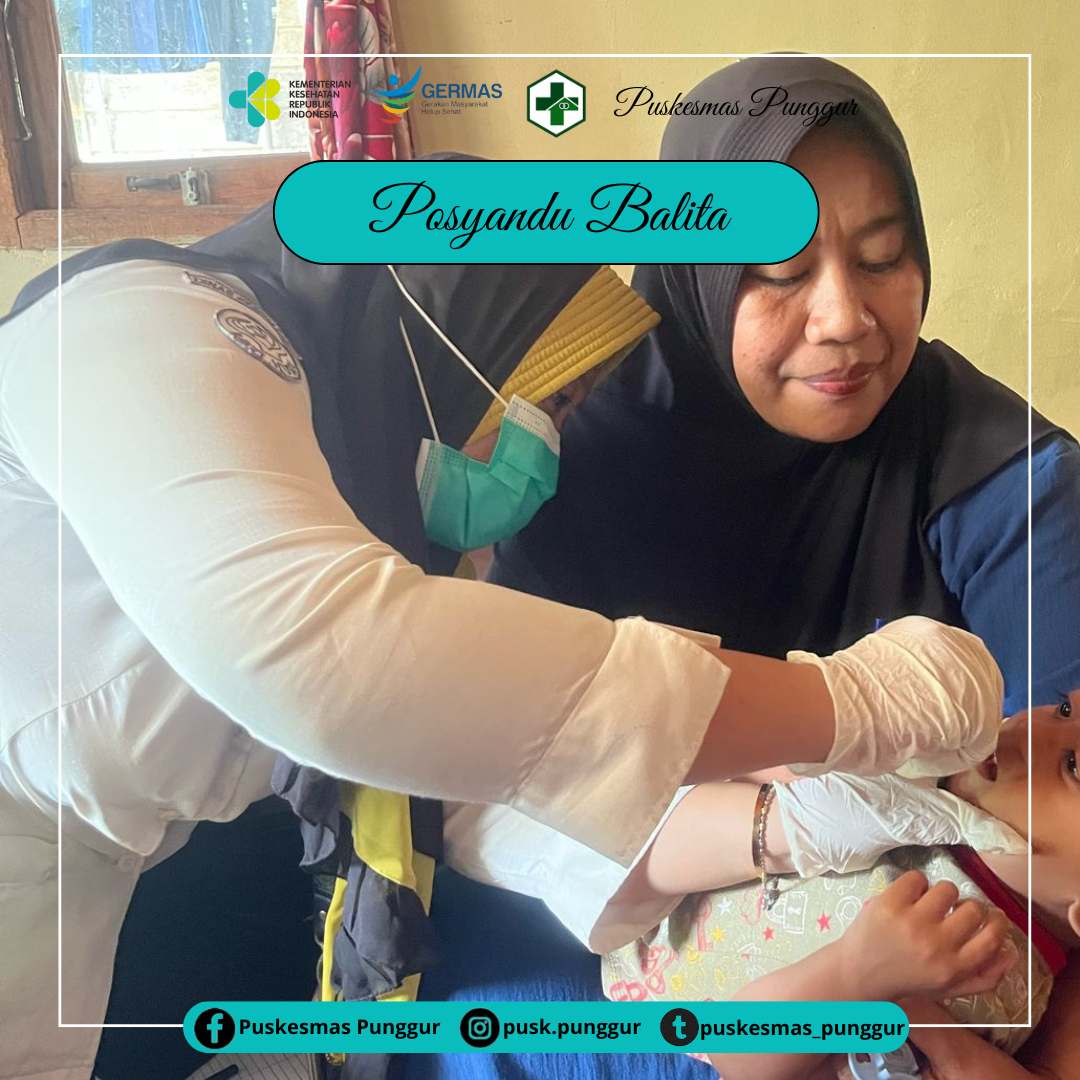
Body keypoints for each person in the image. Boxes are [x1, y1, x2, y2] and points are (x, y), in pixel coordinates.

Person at [0, 190, 1004, 1080]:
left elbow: (486, 799)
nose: (548, 454)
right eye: (551, 402)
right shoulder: (129, 327)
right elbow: (341, 668)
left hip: (103, 869)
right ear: (444, 350)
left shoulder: (386, 532)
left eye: (883, 258)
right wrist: (849, 705)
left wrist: (780, 824)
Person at [411, 56, 1080, 1080]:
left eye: (883, 257)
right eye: (778, 273)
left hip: (940, 943)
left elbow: (1060, 824)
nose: (846, 318)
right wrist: (771, 826)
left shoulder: (999, 472)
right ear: (698, 278)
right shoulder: (578, 457)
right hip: (622, 926)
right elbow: (492, 790)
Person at [698, 689, 1080, 1080]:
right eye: (1065, 709)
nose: (1029, 725)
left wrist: (854, 973)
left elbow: (736, 1051)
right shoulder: (939, 773)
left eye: (1074, 766)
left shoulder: (989, 985)